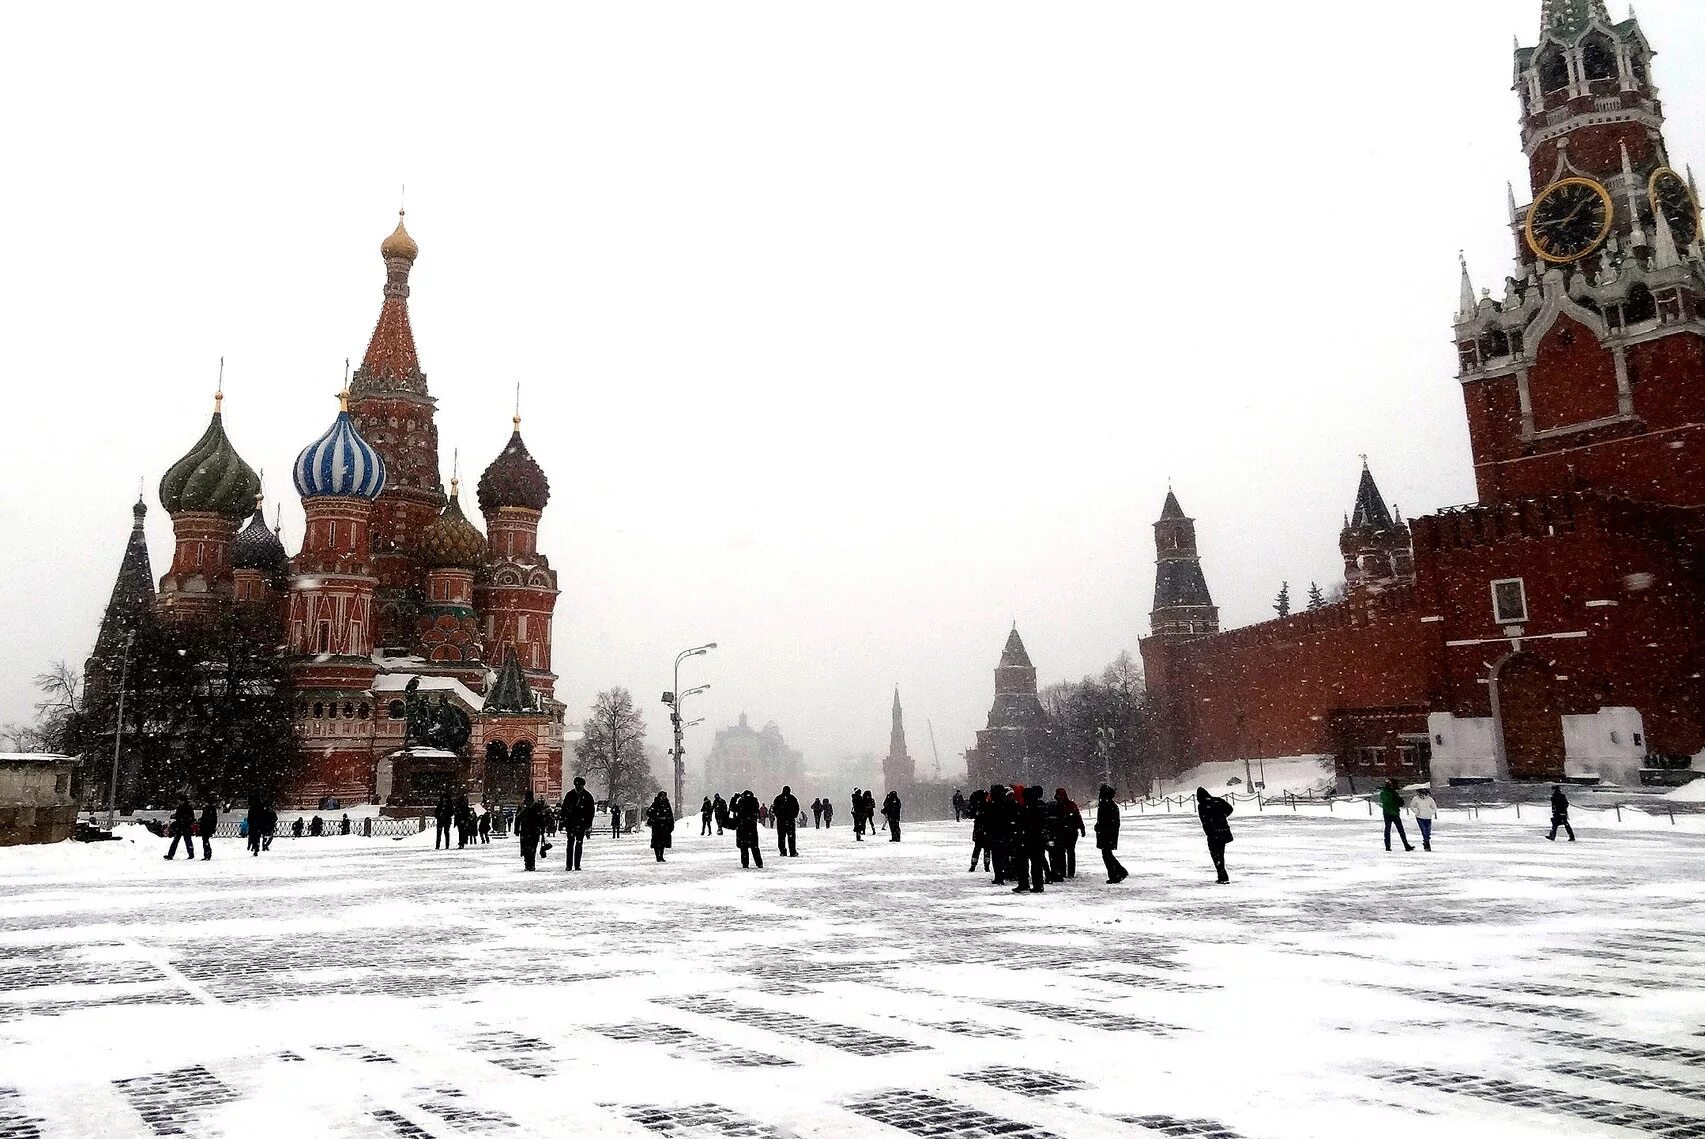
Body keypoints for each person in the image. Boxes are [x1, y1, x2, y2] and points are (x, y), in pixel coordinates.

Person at [1012, 786, 1048, 893]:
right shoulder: (1039, 807)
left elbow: (1021, 823)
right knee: (1035, 863)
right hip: (1035, 839)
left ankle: (1025, 883)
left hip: (1028, 838)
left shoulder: (1025, 808)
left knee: (1024, 863)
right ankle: (1037, 884)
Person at [1196, 787, 1233, 884]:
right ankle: (1222, 874)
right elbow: (1230, 809)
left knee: (1216, 855)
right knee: (1220, 854)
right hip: (1223, 831)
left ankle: (1222, 875)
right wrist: (1222, 817)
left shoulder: (1202, 806)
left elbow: (1204, 820)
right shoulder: (1218, 801)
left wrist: (1210, 827)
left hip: (1213, 833)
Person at [1095, 784, 1128, 884]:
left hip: (1106, 833)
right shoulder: (1109, 804)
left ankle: (1117, 873)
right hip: (1108, 833)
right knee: (1107, 854)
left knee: (1107, 854)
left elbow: (1106, 820)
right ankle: (1117, 872)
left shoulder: (1106, 805)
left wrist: (1100, 827)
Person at [561, 777, 596, 870]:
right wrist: (563, 821)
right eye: (577, 785)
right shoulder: (572, 795)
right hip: (572, 823)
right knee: (571, 844)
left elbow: (590, 812)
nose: (578, 787)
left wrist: (588, 824)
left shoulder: (586, 796)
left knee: (578, 844)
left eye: (579, 786)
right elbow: (564, 809)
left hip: (581, 823)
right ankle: (569, 865)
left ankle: (576, 864)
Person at [1053, 788, 1084, 879]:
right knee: (1067, 852)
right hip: (1068, 831)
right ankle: (1068, 872)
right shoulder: (1070, 805)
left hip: (1067, 831)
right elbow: (1077, 816)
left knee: (1065, 852)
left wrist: (1081, 827)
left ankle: (1066, 872)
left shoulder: (1058, 805)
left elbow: (1077, 816)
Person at [1378, 780, 1415, 853]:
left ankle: (1388, 846)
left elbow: (1387, 802)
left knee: (1388, 830)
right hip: (1394, 813)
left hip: (1388, 813)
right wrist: (1397, 800)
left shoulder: (1384, 793)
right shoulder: (1392, 793)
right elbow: (1397, 802)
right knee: (1400, 830)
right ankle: (1405, 845)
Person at [517, 790, 547, 871]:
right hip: (534, 830)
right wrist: (542, 828)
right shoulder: (536, 805)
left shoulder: (522, 805)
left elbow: (518, 818)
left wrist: (516, 829)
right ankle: (532, 864)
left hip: (525, 830)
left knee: (525, 848)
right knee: (532, 848)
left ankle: (527, 863)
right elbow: (541, 818)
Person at [735, 789, 764, 868]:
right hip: (752, 827)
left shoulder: (741, 802)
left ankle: (745, 864)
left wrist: (734, 798)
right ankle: (759, 863)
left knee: (744, 848)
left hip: (742, 828)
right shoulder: (754, 802)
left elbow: (732, 808)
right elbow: (756, 810)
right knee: (754, 847)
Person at [645, 792, 675, 862]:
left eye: (664, 796)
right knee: (656, 842)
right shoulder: (656, 803)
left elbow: (670, 814)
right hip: (657, 826)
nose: (663, 797)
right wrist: (654, 814)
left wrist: (671, 824)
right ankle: (657, 857)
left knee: (663, 842)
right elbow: (648, 812)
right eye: (662, 796)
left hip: (664, 826)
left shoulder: (667, 804)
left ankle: (661, 856)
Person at [966, 789, 991, 872]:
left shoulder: (977, 805)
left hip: (978, 829)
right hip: (986, 829)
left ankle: (973, 865)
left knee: (977, 848)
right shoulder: (987, 805)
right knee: (986, 848)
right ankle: (986, 866)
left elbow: (971, 815)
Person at [773, 785, 801, 857]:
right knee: (791, 837)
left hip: (781, 821)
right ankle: (792, 851)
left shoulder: (778, 798)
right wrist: (794, 816)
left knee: (781, 837)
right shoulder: (793, 798)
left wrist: (778, 816)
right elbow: (797, 808)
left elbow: (774, 808)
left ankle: (783, 851)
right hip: (790, 820)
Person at [1410, 786, 1438, 851]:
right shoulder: (1416, 799)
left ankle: (1426, 841)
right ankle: (1427, 844)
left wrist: (1430, 813)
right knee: (1424, 830)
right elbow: (1412, 806)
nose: (1423, 795)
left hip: (1428, 817)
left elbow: (1434, 807)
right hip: (1420, 817)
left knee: (1428, 831)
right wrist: (1417, 812)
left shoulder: (1430, 799)